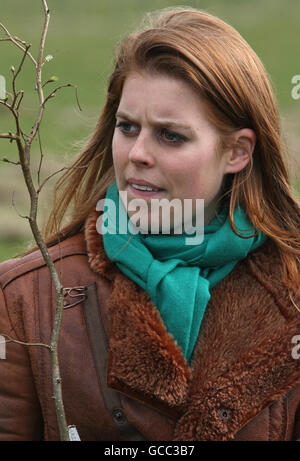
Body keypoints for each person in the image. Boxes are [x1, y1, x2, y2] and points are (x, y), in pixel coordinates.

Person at [0, 6, 299, 441]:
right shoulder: (28, 297)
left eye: (170, 135)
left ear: (237, 151)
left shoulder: (291, 292)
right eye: (127, 127)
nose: (137, 153)